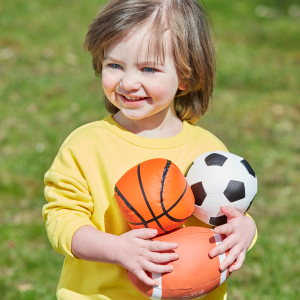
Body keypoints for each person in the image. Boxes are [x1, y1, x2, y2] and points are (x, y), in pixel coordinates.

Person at [42, 0, 257, 299]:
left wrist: (246, 231)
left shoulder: (209, 153)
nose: (129, 82)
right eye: (115, 65)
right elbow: (61, 220)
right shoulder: (85, 146)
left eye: (149, 69)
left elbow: (229, 217)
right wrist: (116, 249)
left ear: (187, 76)